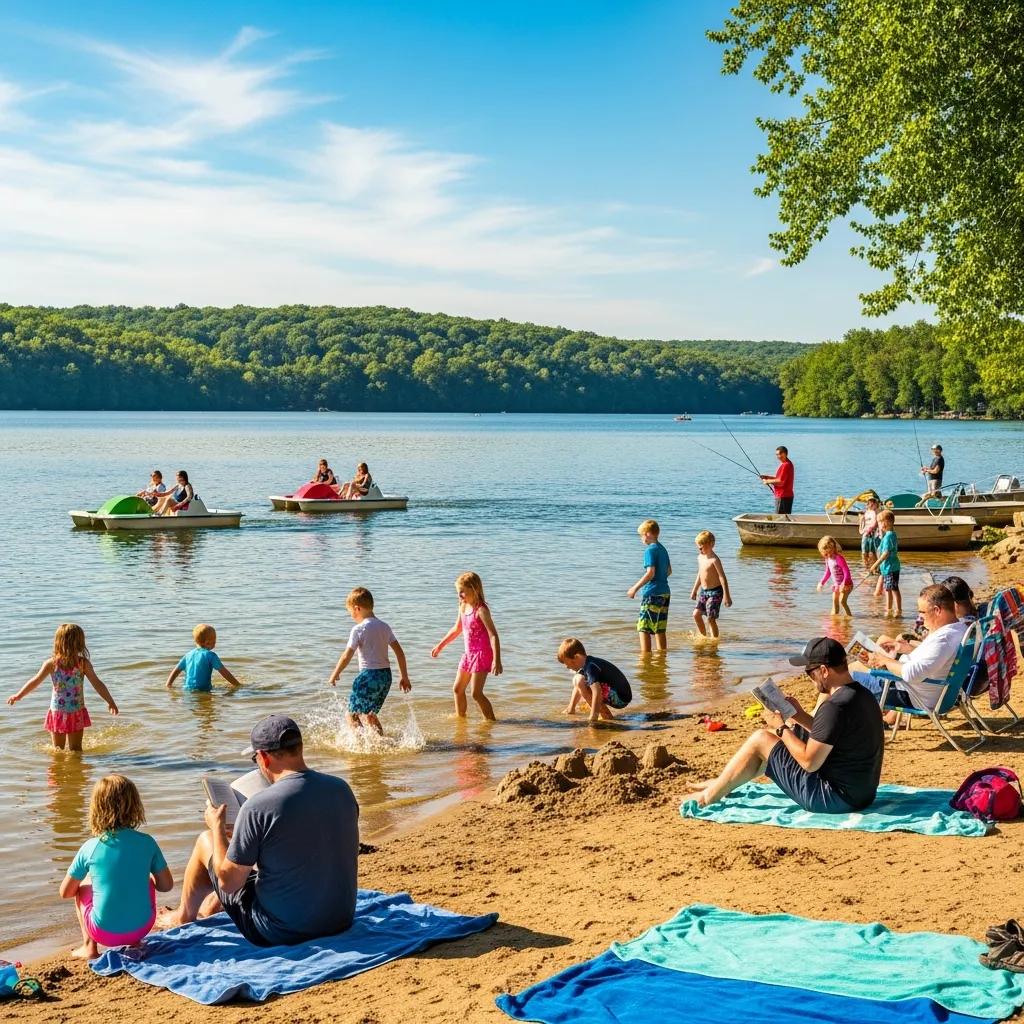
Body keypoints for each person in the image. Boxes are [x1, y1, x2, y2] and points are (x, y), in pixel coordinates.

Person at [160, 715, 359, 945]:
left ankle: (183, 916)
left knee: (207, 841)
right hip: (340, 918)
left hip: (281, 931)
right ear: (300, 748)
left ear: (263, 758)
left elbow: (228, 883)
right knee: (261, 856)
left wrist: (216, 827)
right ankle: (209, 907)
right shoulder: (341, 789)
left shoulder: (259, 807)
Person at [682, 637, 883, 813]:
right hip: (861, 794)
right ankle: (722, 783)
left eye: (809, 673)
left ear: (823, 671)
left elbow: (809, 762)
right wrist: (799, 716)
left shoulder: (834, 706)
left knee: (761, 738)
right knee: (779, 737)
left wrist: (781, 727)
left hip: (832, 799)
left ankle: (707, 798)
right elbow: (832, 734)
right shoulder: (860, 694)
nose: (810, 680)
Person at [60, 775, 173, 959]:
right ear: (135, 806)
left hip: (103, 932)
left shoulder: (90, 847)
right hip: (143, 927)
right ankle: (135, 942)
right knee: (145, 879)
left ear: (96, 808)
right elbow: (166, 886)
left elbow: (65, 892)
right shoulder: (147, 842)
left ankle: (89, 947)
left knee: (81, 886)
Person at [7, 623, 119, 751]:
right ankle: (71, 770)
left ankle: (65, 770)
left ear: (58, 642)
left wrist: (110, 701)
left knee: (61, 750)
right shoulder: (54, 664)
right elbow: (36, 680)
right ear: (79, 643)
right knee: (68, 749)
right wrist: (19, 695)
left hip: (68, 712)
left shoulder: (82, 664)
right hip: (62, 712)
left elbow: (97, 683)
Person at [860, 584, 969, 713]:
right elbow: (934, 658)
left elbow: (913, 674)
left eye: (922, 612)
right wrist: (905, 648)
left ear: (937, 610)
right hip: (927, 692)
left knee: (843, 681)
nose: (920, 617)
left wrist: (884, 661)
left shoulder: (943, 639)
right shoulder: (960, 629)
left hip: (911, 694)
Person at [328, 587, 412, 734]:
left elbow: (347, 655)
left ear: (357, 608)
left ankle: (360, 746)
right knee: (370, 715)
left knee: (351, 715)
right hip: (385, 677)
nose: (351, 616)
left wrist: (335, 673)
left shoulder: (358, 629)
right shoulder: (385, 627)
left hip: (368, 676)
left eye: (351, 613)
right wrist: (404, 676)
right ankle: (382, 741)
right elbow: (399, 652)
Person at [431, 571, 502, 720]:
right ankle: (461, 720)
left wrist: (497, 660)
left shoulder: (481, 610)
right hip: (468, 655)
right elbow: (457, 629)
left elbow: (493, 635)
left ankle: (490, 721)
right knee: (457, 689)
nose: (460, 596)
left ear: (474, 589)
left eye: (462, 592)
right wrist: (440, 646)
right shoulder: (463, 607)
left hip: (482, 655)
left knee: (476, 693)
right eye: (458, 592)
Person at [557, 638, 633, 724]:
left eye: (568, 663)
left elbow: (597, 691)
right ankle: (571, 709)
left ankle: (604, 715)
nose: (567, 667)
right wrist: (571, 707)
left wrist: (594, 715)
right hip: (620, 694)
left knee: (580, 681)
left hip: (620, 698)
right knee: (577, 679)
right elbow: (578, 686)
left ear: (576, 657)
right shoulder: (588, 662)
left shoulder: (590, 667)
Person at [627, 519, 672, 653]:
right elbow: (669, 571)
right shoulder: (662, 549)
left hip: (652, 593)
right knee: (659, 628)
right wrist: (660, 580)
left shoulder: (650, 551)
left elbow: (650, 573)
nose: (641, 538)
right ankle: (661, 657)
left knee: (643, 627)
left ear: (647, 534)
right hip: (665, 592)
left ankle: (645, 657)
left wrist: (635, 588)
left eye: (641, 535)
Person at [165, 624, 241, 692]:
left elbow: (176, 671)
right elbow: (224, 673)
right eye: (214, 642)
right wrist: (237, 685)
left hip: (187, 690)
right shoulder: (211, 655)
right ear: (207, 643)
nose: (215, 644)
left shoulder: (188, 655)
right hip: (203, 690)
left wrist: (168, 684)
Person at [690, 529, 731, 639]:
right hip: (704, 591)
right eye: (698, 546)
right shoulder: (700, 558)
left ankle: (714, 640)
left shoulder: (714, 560)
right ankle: (703, 637)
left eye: (702, 546)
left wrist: (727, 596)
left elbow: (722, 577)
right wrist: (694, 590)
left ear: (711, 544)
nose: (699, 548)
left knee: (710, 618)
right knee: (696, 614)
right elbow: (700, 575)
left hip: (716, 592)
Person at [864, 509, 901, 616]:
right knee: (887, 589)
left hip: (892, 567)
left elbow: (886, 553)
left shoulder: (890, 535)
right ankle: (888, 609)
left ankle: (898, 610)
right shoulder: (887, 535)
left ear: (887, 522)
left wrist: (875, 565)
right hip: (886, 568)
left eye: (880, 522)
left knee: (894, 589)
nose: (878, 524)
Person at [817, 536, 853, 616]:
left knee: (842, 601)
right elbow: (828, 572)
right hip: (837, 585)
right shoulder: (827, 559)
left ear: (833, 548)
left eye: (830, 552)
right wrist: (821, 583)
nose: (828, 555)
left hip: (846, 584)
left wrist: (844, 584)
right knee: (834, 601)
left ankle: (849, 618)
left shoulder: (839, 558)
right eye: (826, 553)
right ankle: (834, 619)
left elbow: (846, 571)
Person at [760, 445, 795, 514]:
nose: (778, 457)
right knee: (784, 518)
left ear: (785, 454)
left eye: (779, 454)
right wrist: (767, 477)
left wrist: (767, 481)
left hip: (783, 496)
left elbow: (781, 482)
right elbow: (779, 478)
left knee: (780, 519)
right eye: (777, 455)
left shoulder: (786, 465)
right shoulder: (787, 463)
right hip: (786, 496)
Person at [858, 495, 881, 573]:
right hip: (865, 535)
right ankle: (866, 567)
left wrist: (870, 529)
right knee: (864, 552)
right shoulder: (866, 513)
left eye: (873, 503)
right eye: (869, 503)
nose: (871, 504)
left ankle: (875, 568)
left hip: (873, 535)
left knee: (873, 552)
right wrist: (862, 530)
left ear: (876, 505)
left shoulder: (877, 513)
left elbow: (875, 523)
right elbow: (862, 524)